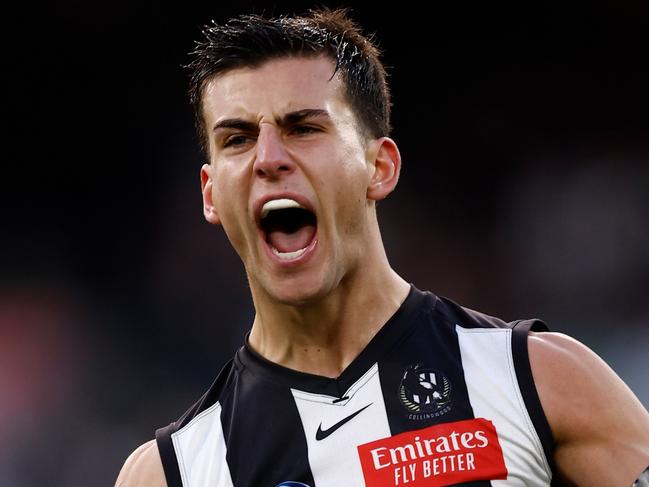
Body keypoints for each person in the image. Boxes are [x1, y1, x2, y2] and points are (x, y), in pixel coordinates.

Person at [116, 8, 649, 487]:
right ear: (210, 194)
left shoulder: (542, 380)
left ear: (380, 167)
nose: (268, 158)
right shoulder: (173, 472)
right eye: (237, 139)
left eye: (303, 128)